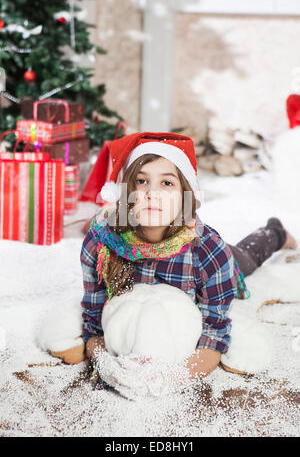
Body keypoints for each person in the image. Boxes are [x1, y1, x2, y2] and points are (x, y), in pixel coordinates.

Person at [52, 132, 297, 397]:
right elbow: (93, 320)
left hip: (211, 259)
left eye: (167, 183)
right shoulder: (100, 244)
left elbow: (214, 333)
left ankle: (275, 232)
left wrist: (175, 377)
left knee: (248, 256)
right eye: (141, 181)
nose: (151, 193)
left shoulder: (208, 250)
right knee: (107, 223)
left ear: (185, 196)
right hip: (122, 227)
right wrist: (105, 362)